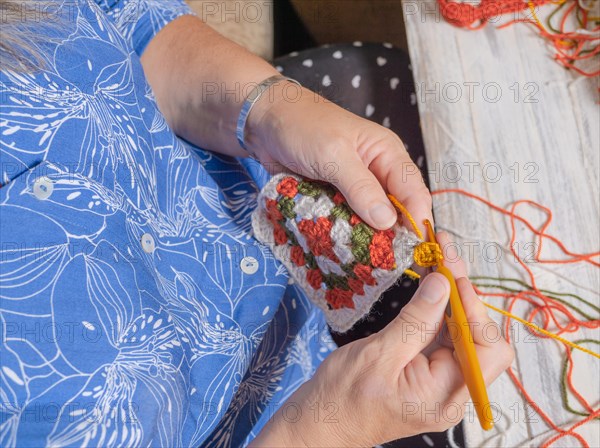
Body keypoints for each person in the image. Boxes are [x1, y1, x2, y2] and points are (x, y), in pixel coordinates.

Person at [0, 0, 514, 446]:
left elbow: (130, 20)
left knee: (387, 75)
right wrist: (326, 430)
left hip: (286, 244)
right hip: (292, 420)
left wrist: (265, 107)